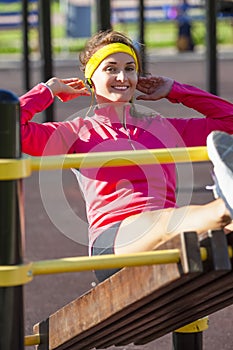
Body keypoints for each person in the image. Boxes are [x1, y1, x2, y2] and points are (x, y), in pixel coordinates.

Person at [20, 30, 233, 282]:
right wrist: (48, 90)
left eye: (130, 68)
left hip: (174, 230)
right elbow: (8, 130)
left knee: (221, 229)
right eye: (111, 69)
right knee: (170, 222)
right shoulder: (76, 133)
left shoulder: (163, 127)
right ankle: (224, 202)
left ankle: (225, 204)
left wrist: (177, 90)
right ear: (90, 79)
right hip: (114, 244)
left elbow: (228, 123)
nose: (123, 77)